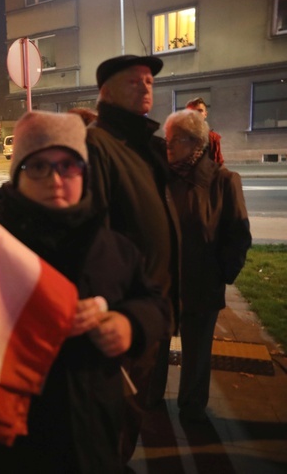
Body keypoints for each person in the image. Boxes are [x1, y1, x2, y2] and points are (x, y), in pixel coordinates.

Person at [0, 110, 167, 472]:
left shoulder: (116, 249)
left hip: (97, 431)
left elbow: (154, 304)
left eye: (68, 165)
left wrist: (129, 324)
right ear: (17, 176)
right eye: (38, 166)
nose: (55, 178)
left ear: (84, 173)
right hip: (19, 439)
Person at [86, 54, 179, 462]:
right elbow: (94, 237)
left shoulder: (141, 146)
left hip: (149, 312)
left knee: (132, 417)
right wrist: (117, 313)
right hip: (122, 320)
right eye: (133, 81)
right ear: (106, 92)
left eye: (149, 82)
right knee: (113, 425)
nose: (145, 87)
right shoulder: (98, 144)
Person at [163, 109, 251, 423]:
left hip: (201, 283)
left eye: (174, 140)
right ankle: (151, 404)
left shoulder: (224, 181)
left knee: (197, 352)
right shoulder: (162, 177)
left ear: (195, 142)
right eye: (167, 139)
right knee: (157, 346)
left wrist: (220, 275)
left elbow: (238, 235)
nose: (167, 146)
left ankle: (191, 408)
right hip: (163, 283)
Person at [186, 97, 225, 165]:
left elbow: (218, 163)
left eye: (200, 111)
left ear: (205, 114)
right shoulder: (179, 135)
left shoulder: (213, 138)